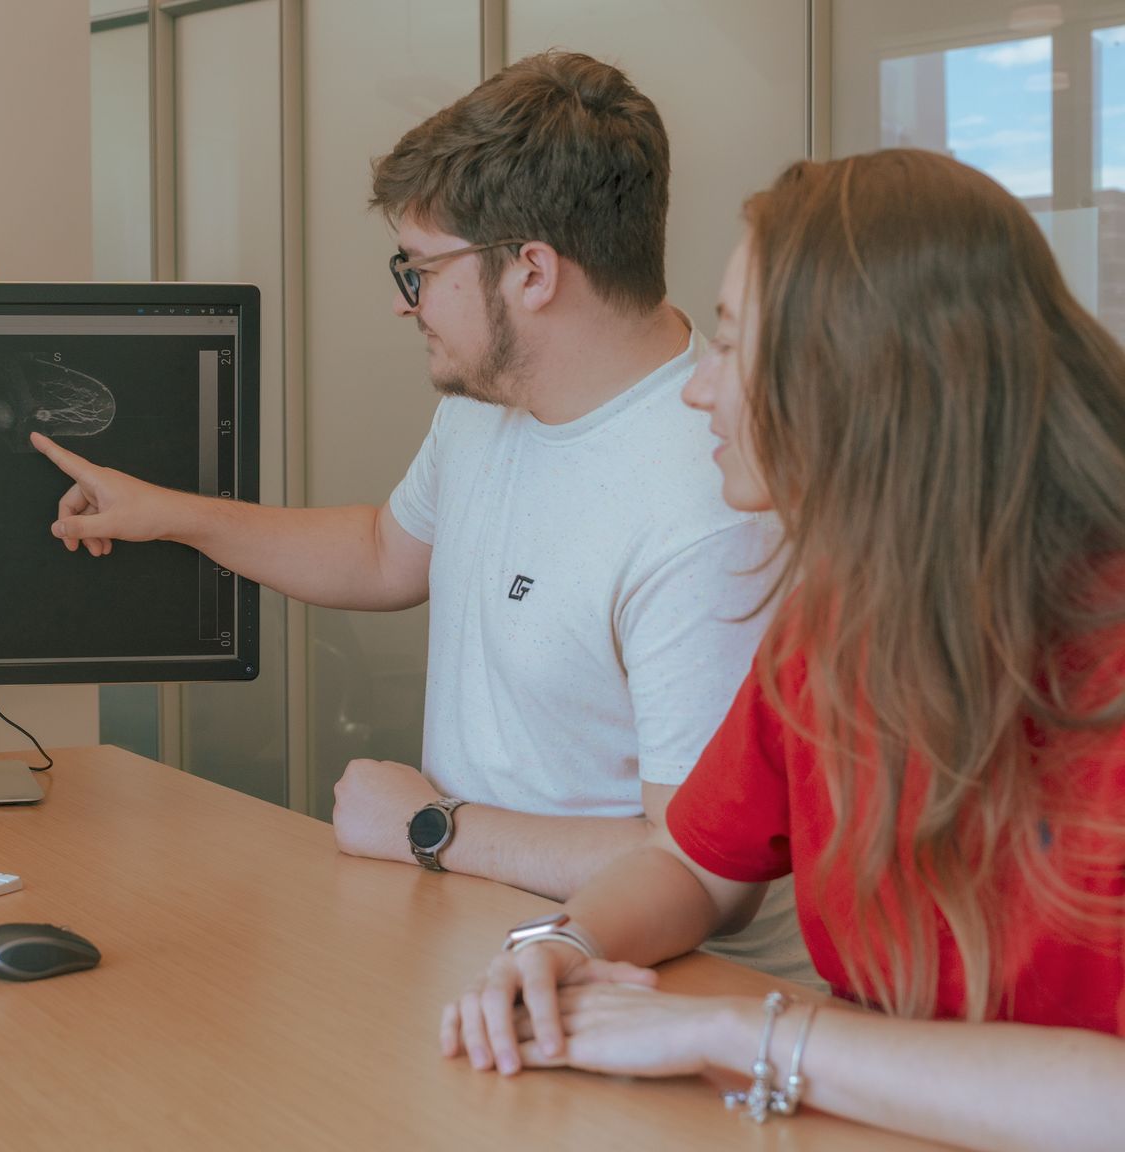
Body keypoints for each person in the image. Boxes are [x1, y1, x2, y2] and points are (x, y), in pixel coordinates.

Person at [30, 51, 809, 979]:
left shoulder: (709, 500)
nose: (405, 303)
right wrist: (171, 514)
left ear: (532, 273)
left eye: (421, 270)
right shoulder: (488, 408)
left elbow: (702, 869)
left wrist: (431, 828)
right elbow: (383, 553)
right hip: (483, 934)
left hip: (664, 984)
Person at [439, 148, 1125, 1150]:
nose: (696, 391)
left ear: (857, 381)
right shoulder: (840, 617)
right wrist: (565, 943)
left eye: (725, 345)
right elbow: (693, 863)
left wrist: (742, 1031)